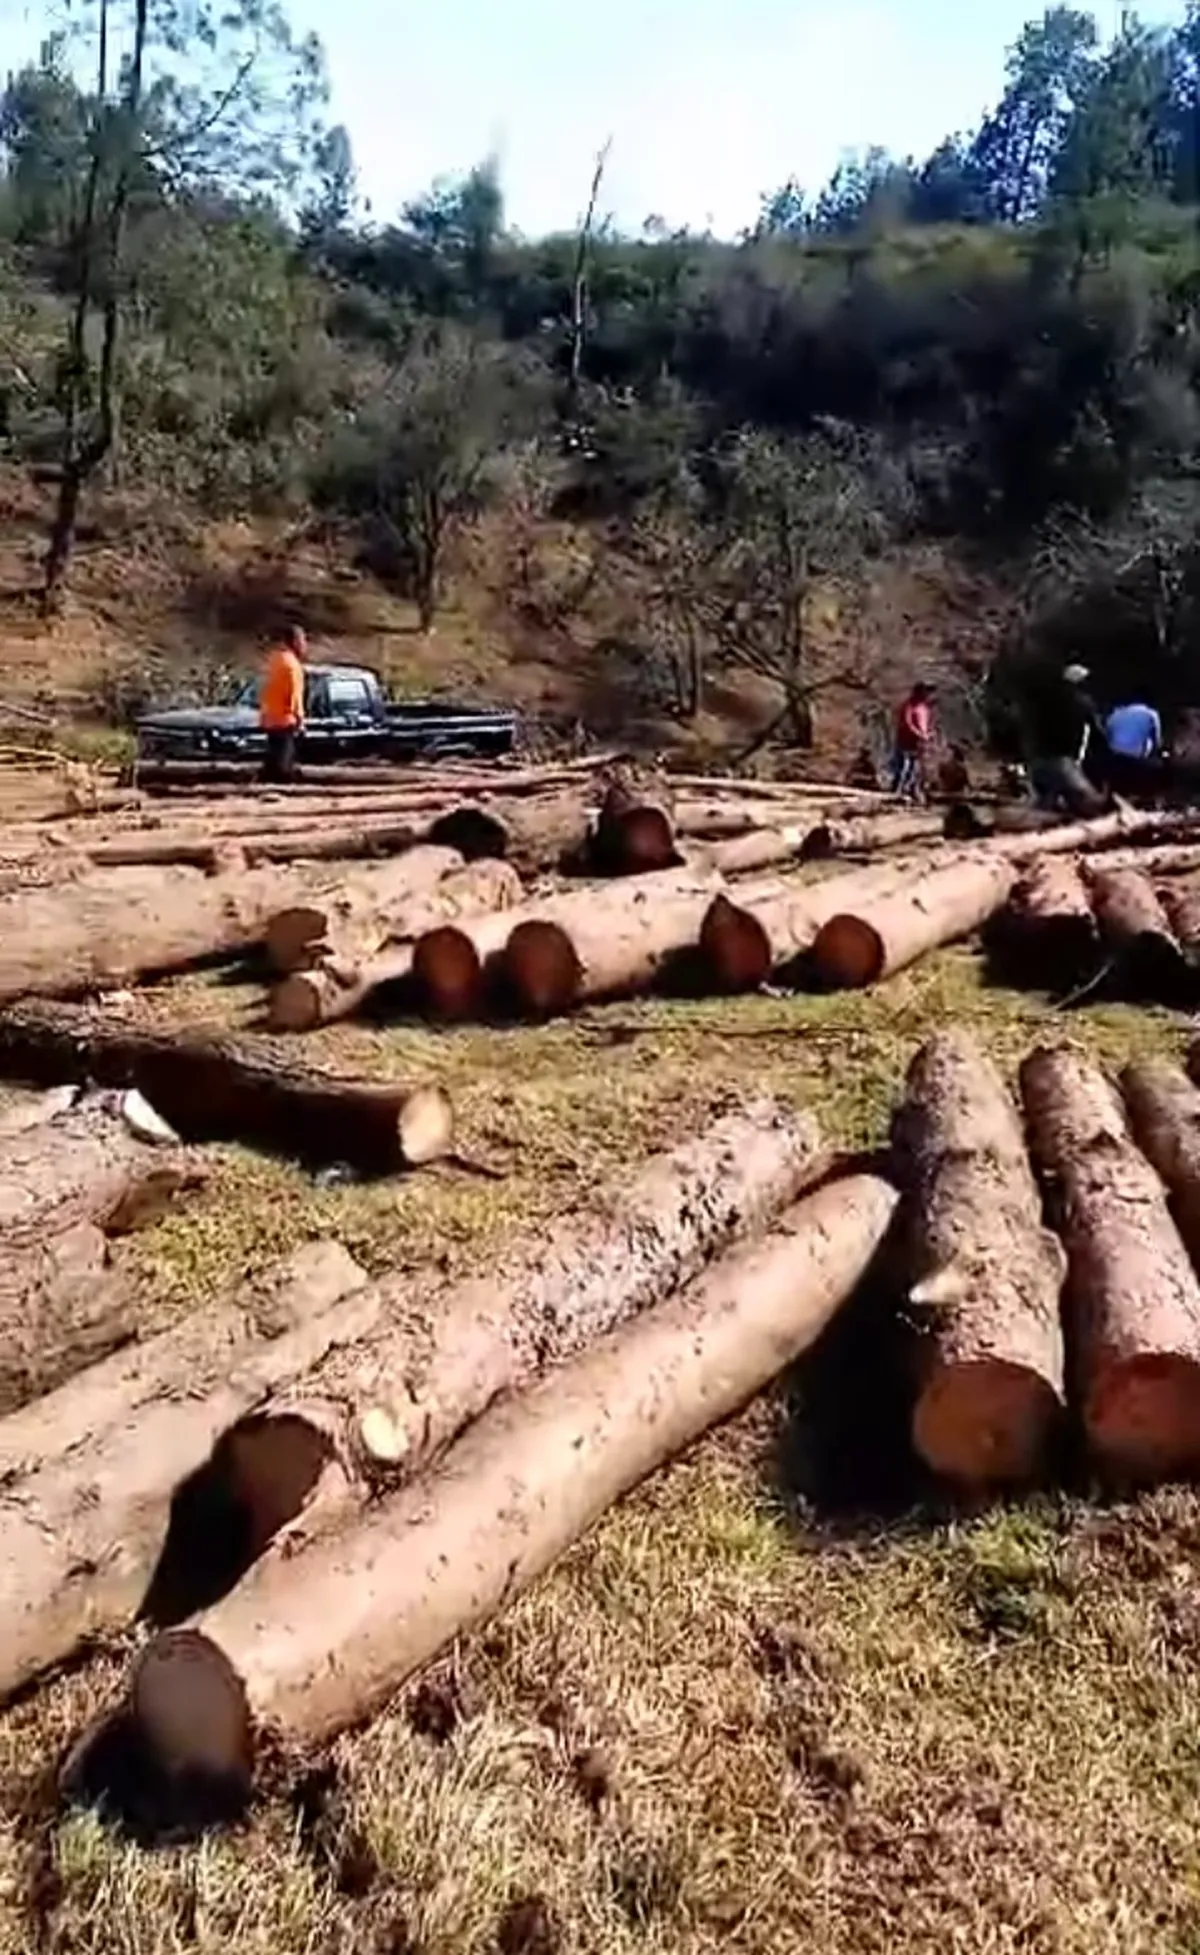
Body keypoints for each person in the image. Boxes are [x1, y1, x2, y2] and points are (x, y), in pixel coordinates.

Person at [1024, 662, 1107, 817]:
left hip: (1037, 761)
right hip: (1064, 763)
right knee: (1093, 805)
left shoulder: (1045, 702)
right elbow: (1098, 733)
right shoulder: (1083, 703)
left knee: (1048, 800)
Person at [259, 624, 306, 782]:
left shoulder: (275, 660)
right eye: (302, 640)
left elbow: (266, 688)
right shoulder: (292, 665)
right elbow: (293, 695)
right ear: (295, 641)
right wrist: (299, 718)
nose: (304, 645)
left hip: (270, 717)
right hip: (285, 718)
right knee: (283, 765)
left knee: (273, 758)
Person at [1104, 697, 1165, 804]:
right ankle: (1149, 797)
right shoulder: (1151, 713)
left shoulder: (1114, 714)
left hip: (1113, 759)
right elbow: (1157, 742)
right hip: (1136, 761)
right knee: (1159, 765)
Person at [890, 683, 934, 800]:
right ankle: (899, 788)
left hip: (919, 742)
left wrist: (928, 733)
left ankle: (911, 788)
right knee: (905, 765)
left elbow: (925, 724)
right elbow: (908, 723)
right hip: (906, 740)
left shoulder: (924, 708)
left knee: (916, 766)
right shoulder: (909, 706)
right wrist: (919, 734)